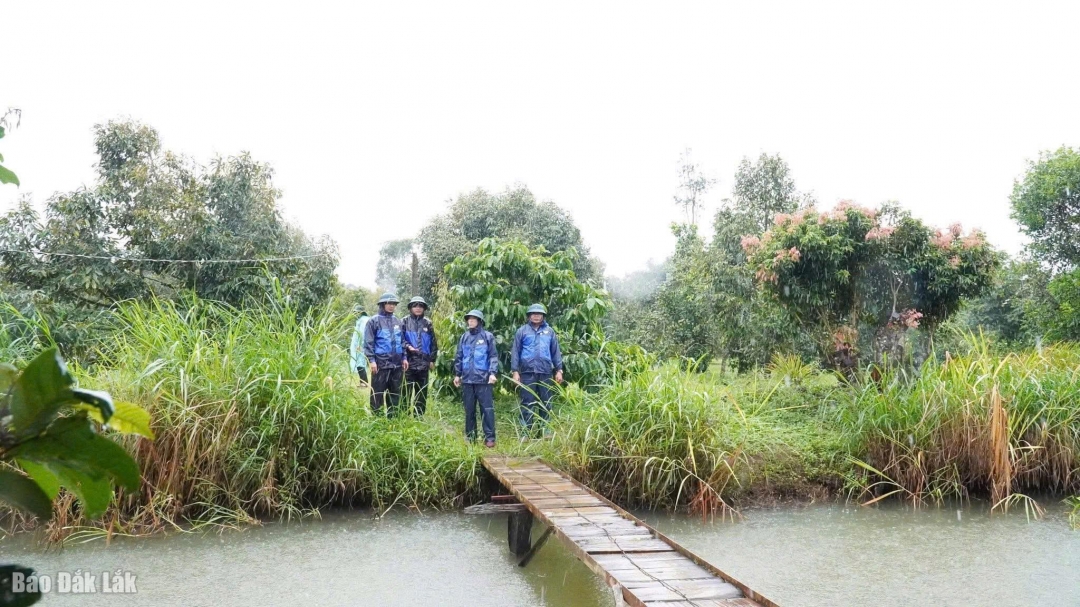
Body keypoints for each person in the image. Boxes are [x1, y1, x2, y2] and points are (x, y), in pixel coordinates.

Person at [511, 303, 563, 434]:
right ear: (529, 316)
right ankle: (525, 432)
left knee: (546, 402)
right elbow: (515, 352)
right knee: (527, 402)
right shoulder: (522, 331)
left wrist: (559, 370)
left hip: (545, 372)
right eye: (533, 314)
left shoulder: (549, 332)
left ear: (543, 316)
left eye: (538, 314)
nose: (536, 316)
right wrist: (515, 371)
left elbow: (555, 352)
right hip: (527, 372)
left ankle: (545, 431)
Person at [453, 309, 499, 447]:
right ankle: (471, 437)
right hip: (467, 380)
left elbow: (493, 356)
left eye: (474, 319)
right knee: (469, 410)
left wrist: (492, 373)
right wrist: (457, 374)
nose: (471, 321)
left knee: (487, 409)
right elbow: (459, 357)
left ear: (479, 321)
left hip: (484, 380)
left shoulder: (487, 336)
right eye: (469, 319)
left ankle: (490, 438)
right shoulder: (464, 337)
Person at [363, 292, 408, 416]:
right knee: (377, 392)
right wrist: (372, 360)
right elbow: (368, 342)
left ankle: (392, 416)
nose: (391, 306)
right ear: (382, 304)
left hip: (397, 364)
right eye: (389, 303)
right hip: (380, 364)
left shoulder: (398, 321)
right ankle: (377, 417)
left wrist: (404, 357)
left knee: (395, 392)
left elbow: (402, 341)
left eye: (393, 303)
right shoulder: (373, 321)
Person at [402, 296, 438, 415]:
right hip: (408, 362)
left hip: (424, 362)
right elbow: (400, 340)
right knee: (406, 391)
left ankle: (419, 415)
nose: (418, 308)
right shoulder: (404, 321)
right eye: (415, 306)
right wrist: (408, 346)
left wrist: (432, 359)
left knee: (421, 392)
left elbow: (433, 342)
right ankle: (404, 414)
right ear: (411, 308)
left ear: (424, 308)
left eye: (420, 306)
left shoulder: (428, 323)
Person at [349, 304, 371, 385]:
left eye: (356, 312)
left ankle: (364, 382)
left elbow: (361, 333)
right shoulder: (362, 319)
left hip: (360, 346)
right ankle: (363, 382)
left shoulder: (363, 320)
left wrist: (359, 345)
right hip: (361, 345)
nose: (355, 314)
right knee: (360, 363)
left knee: (360, 363)